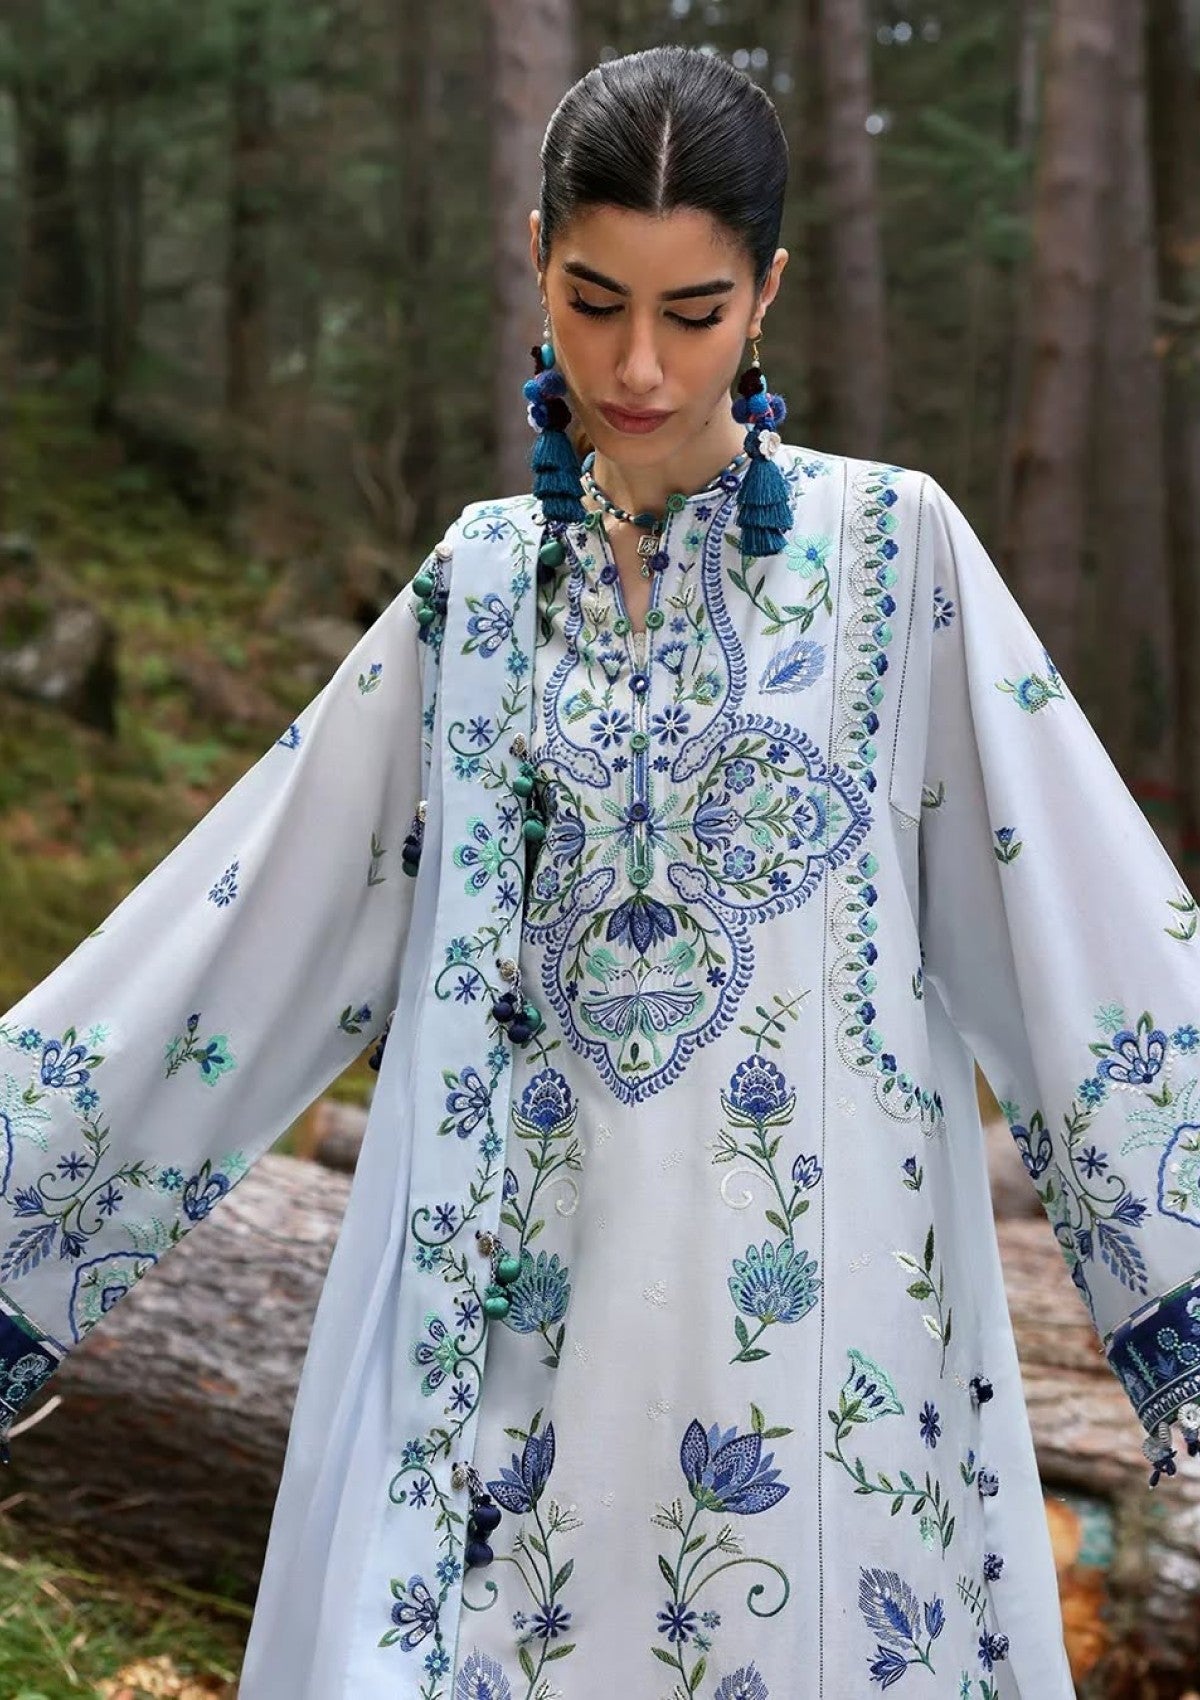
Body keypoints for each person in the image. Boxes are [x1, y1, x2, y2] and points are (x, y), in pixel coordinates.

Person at [0, 42, 1197, 1700]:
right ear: (535, 261)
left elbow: (1084, 926)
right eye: (594, 300)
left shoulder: (894, 557)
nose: (636, 364)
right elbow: (239, 933)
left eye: (692, 313)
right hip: (495, 1354)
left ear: (767, 292)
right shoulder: (478, 596)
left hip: (813, 1362)